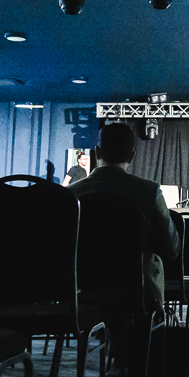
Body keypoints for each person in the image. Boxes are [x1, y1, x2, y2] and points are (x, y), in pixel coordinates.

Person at [71, 124, 182, 306]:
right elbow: (171, 250)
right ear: (132, 155)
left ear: (97, 152)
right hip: (139, 295)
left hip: (82, 294)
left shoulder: (71, 194)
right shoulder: (149, 192)